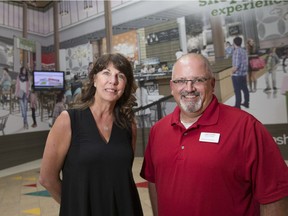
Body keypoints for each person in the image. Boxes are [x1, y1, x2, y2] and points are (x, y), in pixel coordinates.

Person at [140, 53, 288, 216]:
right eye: (181, 81)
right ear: (172, 86)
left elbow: (275, 196)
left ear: (212, 84)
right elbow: (153, 181)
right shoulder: (158, 131)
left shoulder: (245, 127)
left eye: (198, 80)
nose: (189, 88)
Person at [39, 53, 143, 216]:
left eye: (120, 76)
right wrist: (76, 206)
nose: (113, 81)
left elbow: (121, 176)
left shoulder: (129, 125)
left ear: (126, 85)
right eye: (106, 73)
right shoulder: (68, 120)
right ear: (94, 79)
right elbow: (47, 179)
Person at [232, 36, 250, 109]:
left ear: (234, 43)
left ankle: (237, 105)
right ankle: (246, 102)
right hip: (243, 74)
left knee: (237, 91)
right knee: (245, 89)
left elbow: (236, 65)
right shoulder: (244, 51)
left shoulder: (236, 51)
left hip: (237, 75)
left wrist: (232, 72)